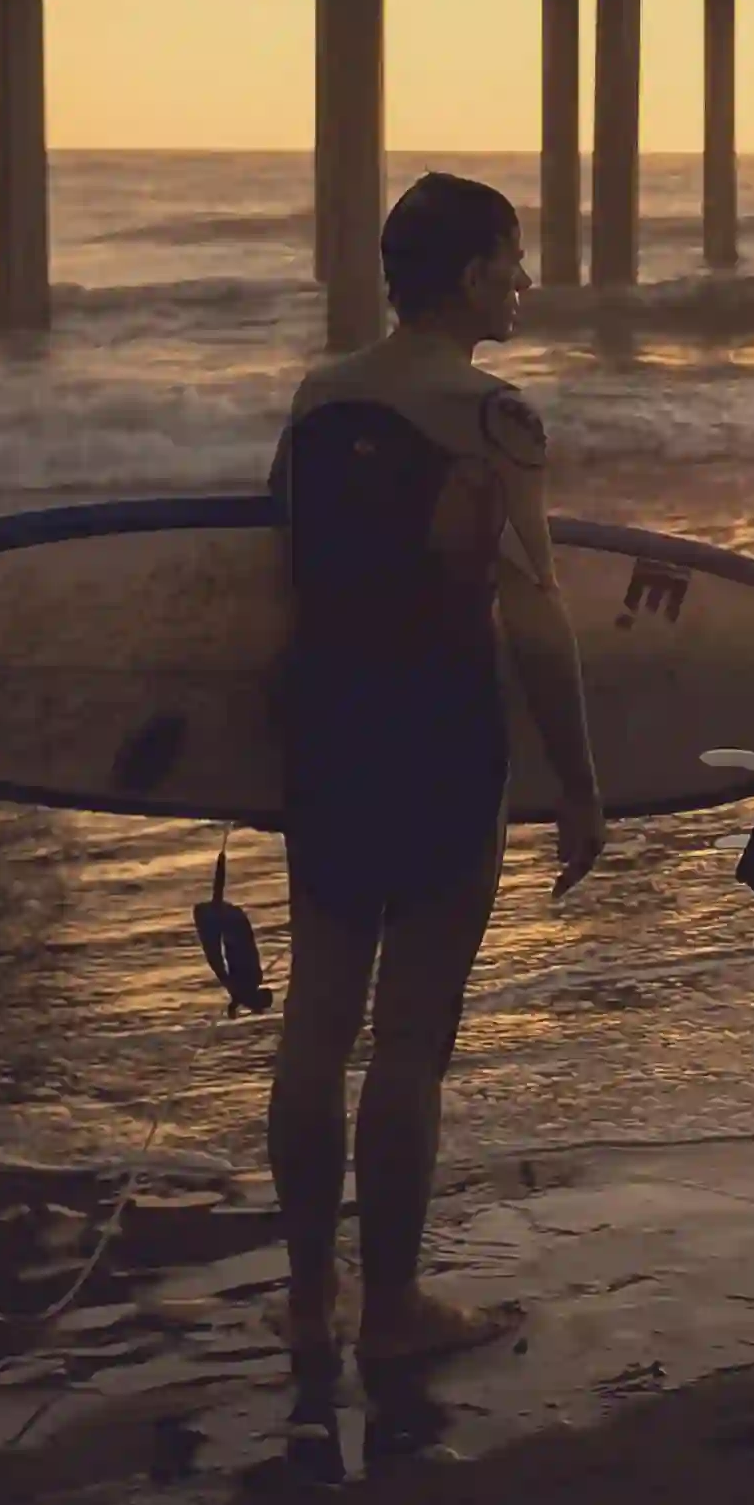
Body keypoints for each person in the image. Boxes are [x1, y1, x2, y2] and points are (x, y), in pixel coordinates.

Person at [265, 172, 604, 1383]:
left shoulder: (317, 397)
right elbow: (537, 611)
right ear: (467, 275)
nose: (524, 282)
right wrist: (577, 779)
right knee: (409, 1034)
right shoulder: (495, 416)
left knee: (317, 1020)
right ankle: (395, 1302)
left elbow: (280, 579)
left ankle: (311, 1299)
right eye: (512, 260)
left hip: (326, 726)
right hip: (440, 728)